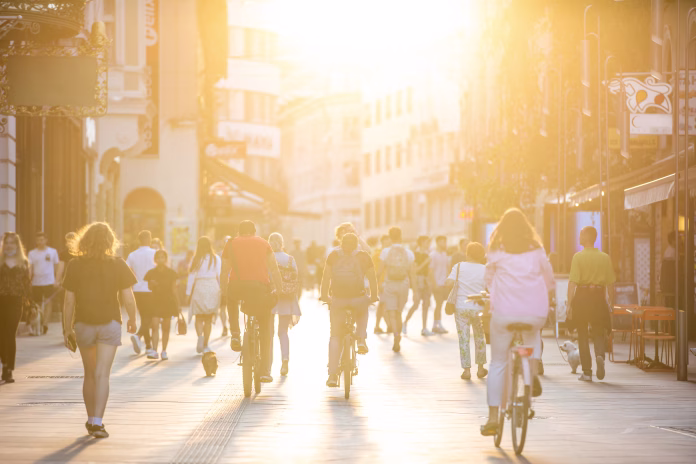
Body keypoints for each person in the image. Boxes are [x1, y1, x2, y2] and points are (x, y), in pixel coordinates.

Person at [481, 208, 554, 436]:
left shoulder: (496, 252)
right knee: (532, 339)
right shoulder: (538, 251)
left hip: (504, 314)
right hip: (535, 314)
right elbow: (550, 281)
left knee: (498, 363)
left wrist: (490, 293)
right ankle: (530, 372)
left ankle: (493, 417)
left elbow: (487, 280)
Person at [62, 222, 138, 439]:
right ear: (110, 241)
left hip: (84, 323)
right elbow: (128, 296)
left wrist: (67, 329)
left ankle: (89, 418)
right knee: (102, 374)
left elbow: (68, 300)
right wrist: (132, 319)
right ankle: (97, 422)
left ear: (85, 240)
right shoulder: (118, 263)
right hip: (110, 322)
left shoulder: (75, 264)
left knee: (89, 374)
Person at [221, 220, 283, 383]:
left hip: (237, 286)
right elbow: (274, 268)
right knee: (265, 328)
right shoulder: (264, 243)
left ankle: (235, 334)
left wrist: (223, 291)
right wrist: (280, 288)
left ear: (239, 231)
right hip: (259, 289)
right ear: (254, 231)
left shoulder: (231, 243)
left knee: (232, 300)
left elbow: (224, 270)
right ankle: (264, 371)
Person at [321, 233, 378, 387]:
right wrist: (373, 296)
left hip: (338, 299)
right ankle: (360, 339)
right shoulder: (363, 256)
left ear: (341, 242)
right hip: (358, 298)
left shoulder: (333, 255)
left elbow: (326, 277)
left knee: (335, 336)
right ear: (356, 244)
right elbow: (372, 278)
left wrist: (324, 296)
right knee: (362, 309)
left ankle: (332, 375)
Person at [568, 226, 616, 382]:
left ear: (586, 237)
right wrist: (611, 303)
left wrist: (569, 305)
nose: (579, 237)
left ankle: (587, 372)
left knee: (582, 334)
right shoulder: (605, 257)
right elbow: (610, 284)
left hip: (582, 296)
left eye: (581, 234)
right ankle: (600, 356)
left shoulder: (578, 257)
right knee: (598, 331)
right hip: (598, 297)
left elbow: (572, 283)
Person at [445, 242, 488, 380]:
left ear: (467, 253)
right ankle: (481, 368)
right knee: (480, 338)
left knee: (463, 339)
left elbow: (449, 284)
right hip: (479, 308)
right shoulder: (485, 269)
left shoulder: (458, 267)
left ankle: (467, 370)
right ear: (482, 255)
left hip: (461, 307)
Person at [378, 227, 416, 352]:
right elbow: (412, 273)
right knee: (399, 312)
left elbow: (380, 271)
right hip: (404, 284)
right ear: (401, 237)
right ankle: (398, 333)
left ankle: (396, 334)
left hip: (390, 284)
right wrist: (415, 291)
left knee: (391, 312)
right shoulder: (409, 252)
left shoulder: (385, 252)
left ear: (390, 237)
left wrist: (377, 284)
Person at [0, 232, 32, 383]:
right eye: (7, 242)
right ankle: (4, 364)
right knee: (1, 335)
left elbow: (27, 284)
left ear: (17, 245)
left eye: (12, 242)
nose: (9, 245)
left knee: (10, 334)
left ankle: (9, 370)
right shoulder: (0, 261)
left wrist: (30, 304)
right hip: (0, 300)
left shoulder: (24, 262)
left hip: (16, 301)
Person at [269, 233, 301, 376]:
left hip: (270, 297)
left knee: (268, 333)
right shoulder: (290, 259)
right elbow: (296, 278)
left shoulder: (268, 258)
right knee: (283, 332)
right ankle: (285, 359)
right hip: (287, 297)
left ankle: (267, 365)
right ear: (282, 243)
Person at [186, 237, 222, 355]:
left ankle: (200, 337)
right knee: (208, 318)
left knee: (199, 317)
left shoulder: (196, 259)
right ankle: (206, 344)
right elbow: (219, 276)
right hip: (212, 287)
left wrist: (188, 293)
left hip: (200, 287)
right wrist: (221, 290)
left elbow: (191, 277)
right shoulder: (216, 259)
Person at [144, 249, 180, 360]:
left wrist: (178, 305)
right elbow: (149, 288)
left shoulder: (171, 273)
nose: (160, 259)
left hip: (168, 302)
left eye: (162, 257)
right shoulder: (151, 273)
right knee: (154, 326)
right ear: (155, 259)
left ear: (165, 259)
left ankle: (164, 350)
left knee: (166, 327)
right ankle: (154, 350)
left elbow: (174, 290)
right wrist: (151, 284)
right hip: (155, 302)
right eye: (158, 257)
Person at [126, 230, 157, 357]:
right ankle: (138, 336)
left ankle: (148, 346)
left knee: (144, 316)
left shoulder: (132, 255)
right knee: (149, 318)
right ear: (149, 239)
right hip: (151, 290)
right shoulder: (155, 253)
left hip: (137, 289)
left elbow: (127, 270)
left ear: (139, 240)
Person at [28, 232, 61, 334]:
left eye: (42, 239)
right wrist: (29, 280)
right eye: (38, 240)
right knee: (36, 304)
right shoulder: (32, 253)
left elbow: (57, 266)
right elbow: (30, 268)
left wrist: (57, 279)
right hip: (36, 282)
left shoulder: (52, 252)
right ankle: (38, 322)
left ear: (46, 240)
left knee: (48, 303)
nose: (40, 242)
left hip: (49, 281)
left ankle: (45, 324)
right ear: (36, 241)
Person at [404, 235, 433, 336]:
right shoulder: (415, 255)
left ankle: (424, 328)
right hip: (418, 281)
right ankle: (405, 323)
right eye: (426, 242)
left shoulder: (428, 254)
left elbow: (429, 271)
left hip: (426, 281)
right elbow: (415, 271)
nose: (428, 244)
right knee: (416, 304)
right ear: (421, 242)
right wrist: (425, 263)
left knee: (426, 305)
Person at [428, 235, 450, 334]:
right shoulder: (433, 255)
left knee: (440, 304)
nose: (444, 244)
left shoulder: (445, 254)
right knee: (438, 304)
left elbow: (447, 268)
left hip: (444, 283)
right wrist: (434, 283)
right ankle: (436, 325)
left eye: (445, 242)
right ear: (437, 243)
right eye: (442, 242)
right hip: (437, 283)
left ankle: (437, 324)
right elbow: (431, 270)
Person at [372, 234, 392, 334]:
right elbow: (376, 269)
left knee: (382, 305)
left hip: (388, 281)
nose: (389, 242)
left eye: (390, 240)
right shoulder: (378, 253)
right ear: (383, 241)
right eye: (387, 240)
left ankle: (377, 326)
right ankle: (389, 325)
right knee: (384, 304)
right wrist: (377, 283)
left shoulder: (390, 252)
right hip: (382, 281)